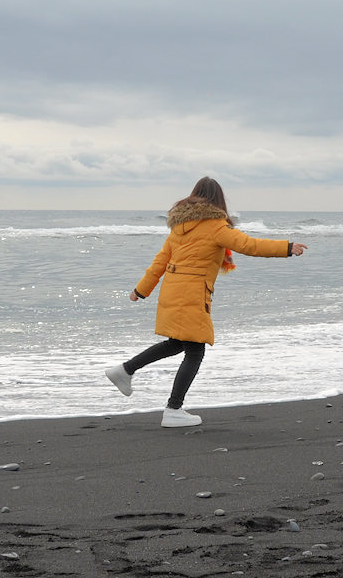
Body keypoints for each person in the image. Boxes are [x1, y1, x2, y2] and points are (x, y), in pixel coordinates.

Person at [104, 177, 307, 428]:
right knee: (195, 348)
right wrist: (287, 247)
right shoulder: (215, 226)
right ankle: (173, 409)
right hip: (191, 293)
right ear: (218, 200)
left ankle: (125, 371)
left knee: (178, 343)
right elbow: (249, 245)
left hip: (173, 290)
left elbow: (160, 262)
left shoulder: (180, 227)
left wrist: (141, 290)